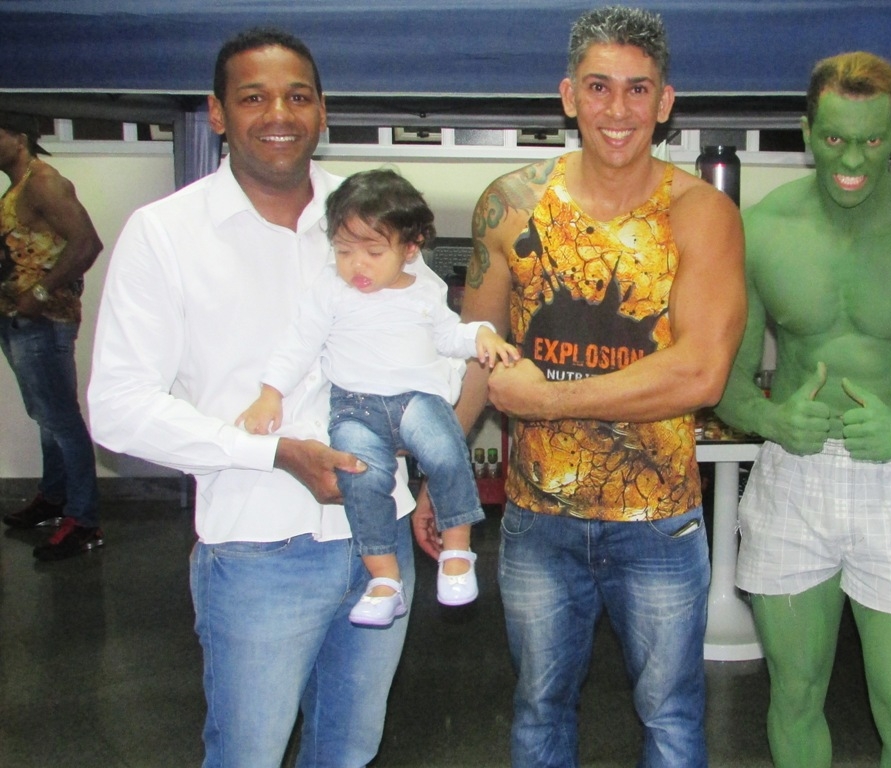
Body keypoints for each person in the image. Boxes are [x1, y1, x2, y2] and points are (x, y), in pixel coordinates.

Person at [412, 6, 745, 765]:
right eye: (599, 87)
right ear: (568, 95)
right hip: (537, 521)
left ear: (665, 102)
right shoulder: (511, 204)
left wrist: (550, 399)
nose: (617, 109)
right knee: (538, 710)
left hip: (658, 519)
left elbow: (701, 371)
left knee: (671, 719)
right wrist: (444, 473)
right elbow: (475, 352)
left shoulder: (700, 214)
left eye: (637, 89)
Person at [88, 28, 415, 766]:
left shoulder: (374, 215)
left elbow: (425, 347)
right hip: (257, 550)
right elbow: (117, 407)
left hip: (381, 536)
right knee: (247, 757)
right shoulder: (166, 235)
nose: (279, 115)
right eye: (253, 97)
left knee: (349, 752)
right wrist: (274, 454)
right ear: (217, 113)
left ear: (322, 111)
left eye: (298, 96)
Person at [712, 52, 891, 768]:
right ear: (806, 132)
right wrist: (770, 419)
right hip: (792, 477)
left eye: (870, 140)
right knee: (794, 695)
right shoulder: (761, 231)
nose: (852, 160)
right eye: (834, 139)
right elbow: (725, 386)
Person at [237, 169, 520, 626]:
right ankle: (384, 579)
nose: (357, 266)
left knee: (446, 454)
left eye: (373, 252)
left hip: (417, 401)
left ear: (410, 249)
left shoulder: (424, 291)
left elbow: (450, 337)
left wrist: (481, 336)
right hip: (355, 409)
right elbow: (299, 344)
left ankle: (457, 552)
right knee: (361, 481)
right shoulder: (330, 291)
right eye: (343, 251)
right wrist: (270, 395)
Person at [0, 111, 105, 561]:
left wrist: (38, 294)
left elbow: (87, 243)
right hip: (19, 319)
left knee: (60, 419)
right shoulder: (18, 187)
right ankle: (54, 497)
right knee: (45, 416)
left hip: (42, 320)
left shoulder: (43, 182)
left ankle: (83, 521)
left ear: (19, 137)